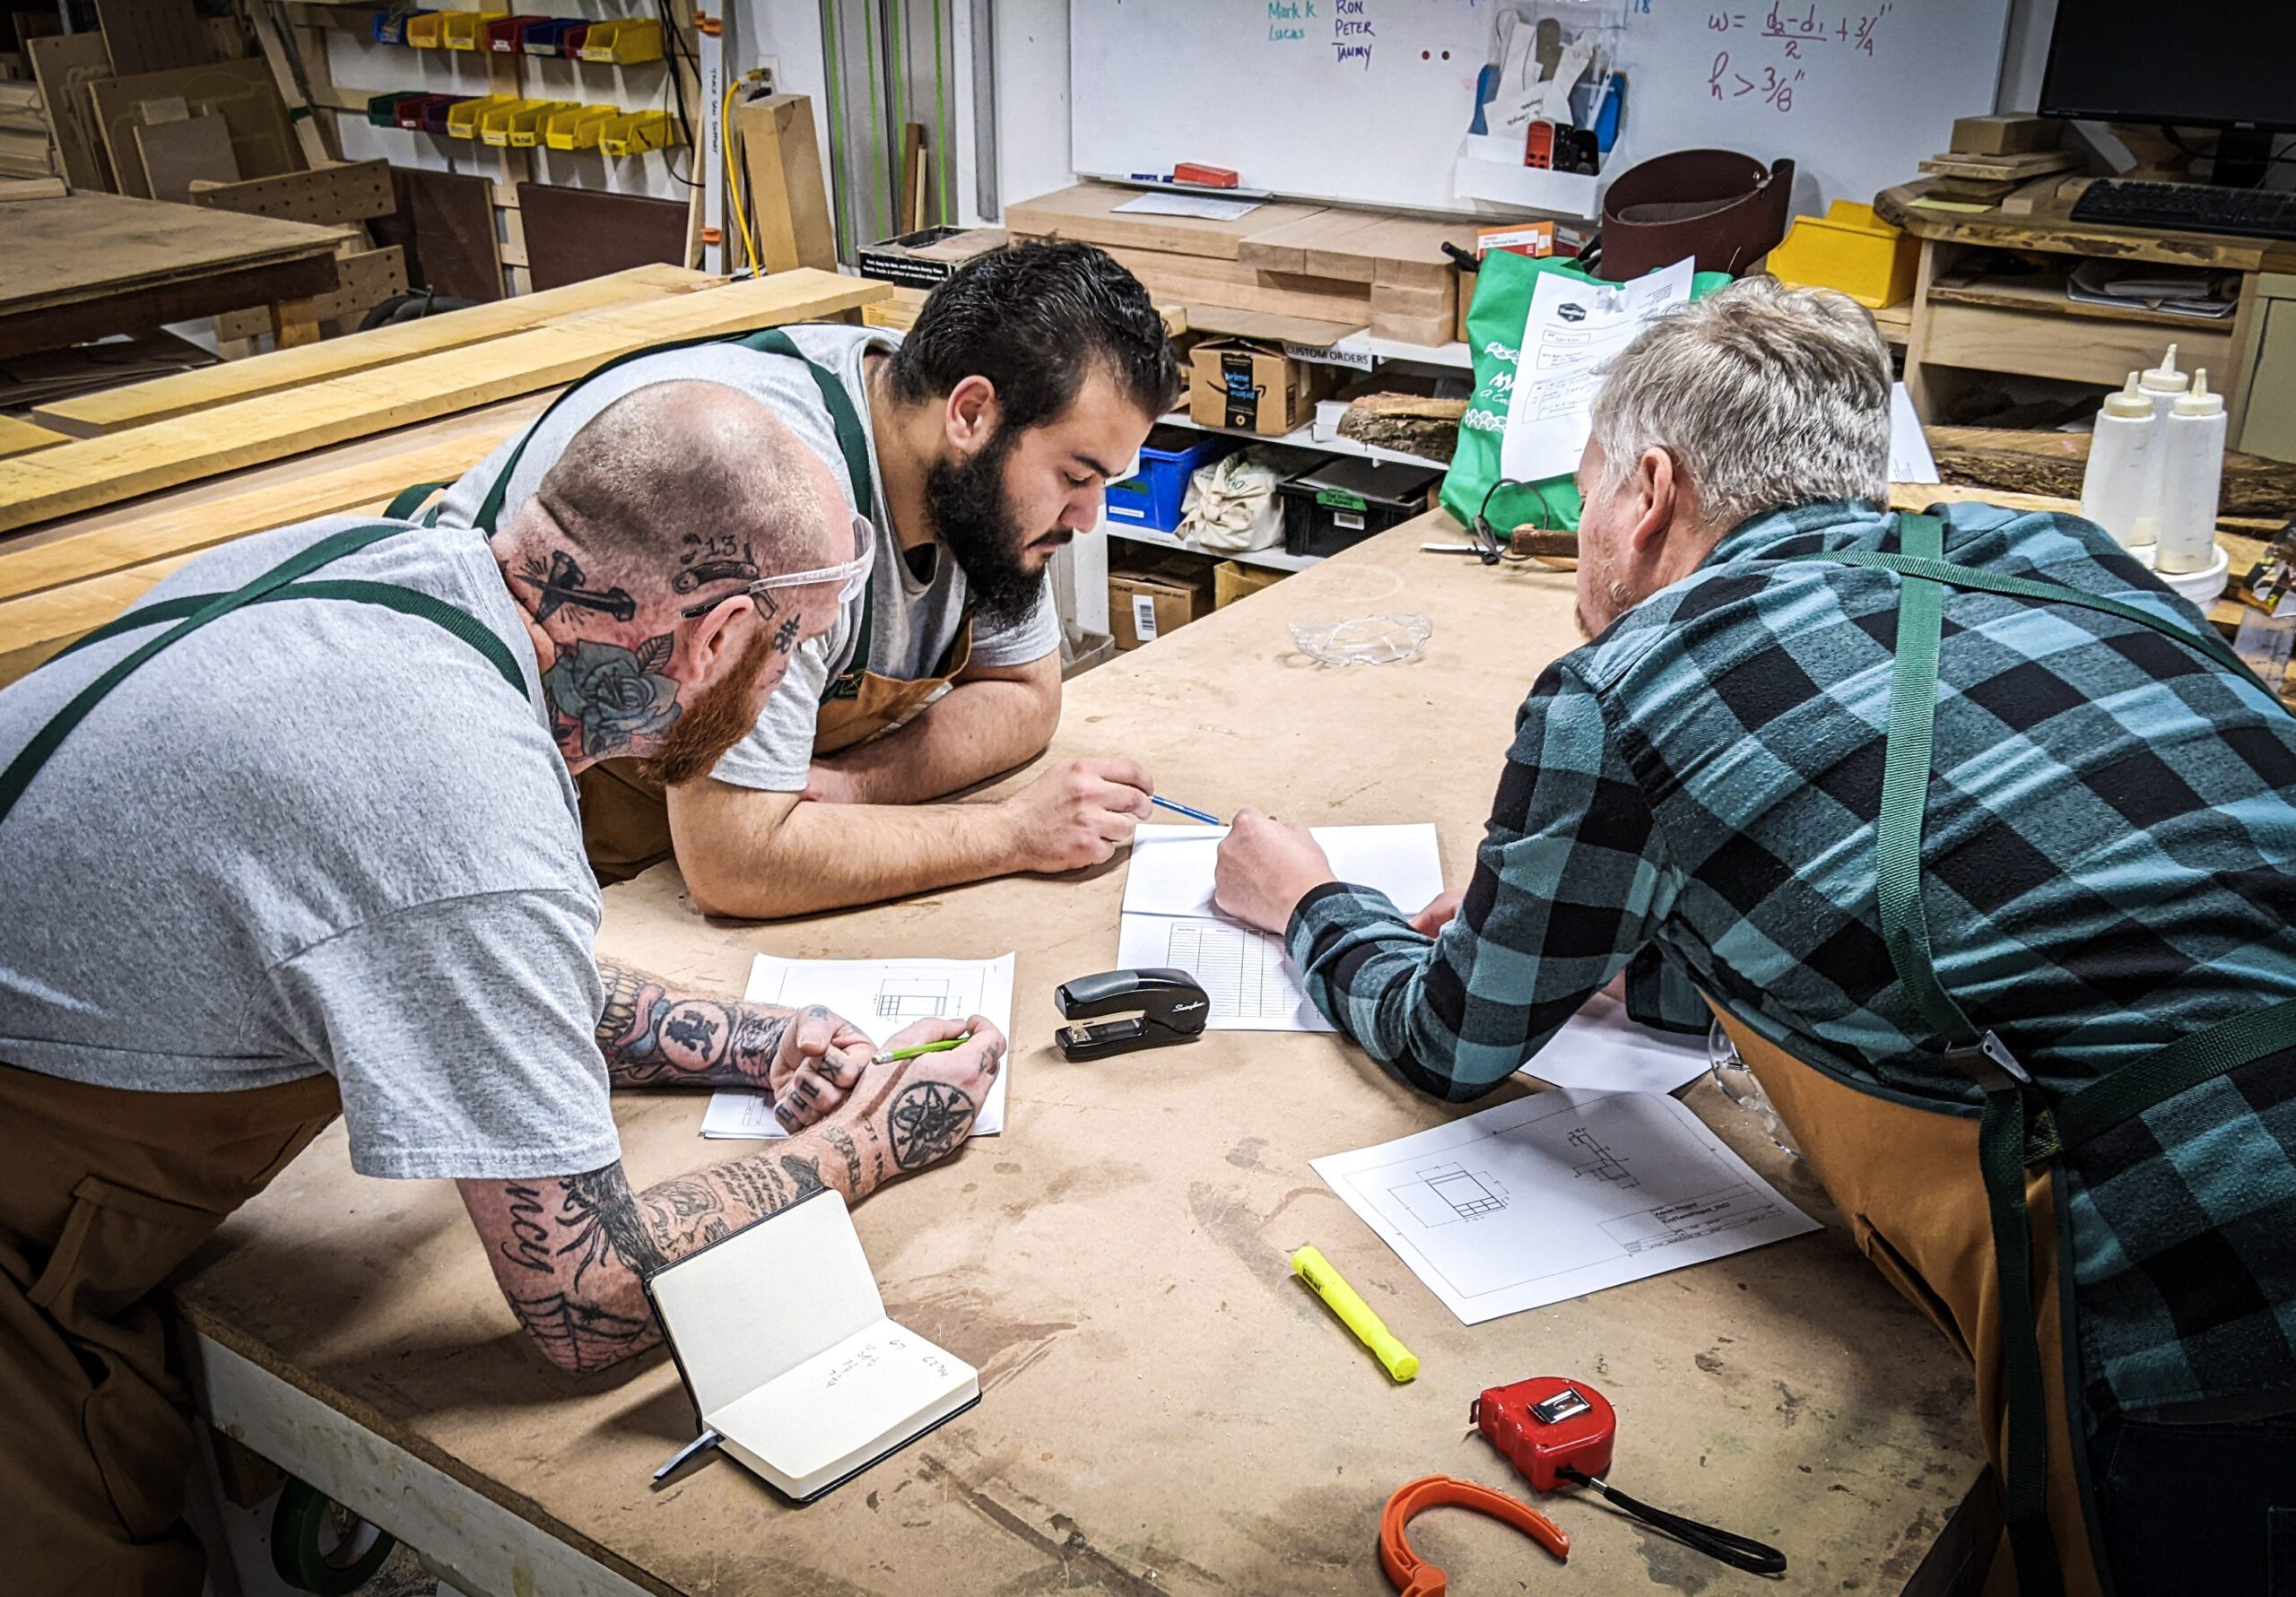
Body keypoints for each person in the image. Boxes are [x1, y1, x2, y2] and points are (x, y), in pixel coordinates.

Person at [1213, 279, 2296, 1595]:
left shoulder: (1629, 683)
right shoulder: (2065, 558)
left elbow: (1455, 1040)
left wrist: (1317, 904)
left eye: (1590, 487)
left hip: (2212, 1271)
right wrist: (1638, 930)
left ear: (1648, 492)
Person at [0, 382, 1005, 1597]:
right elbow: (587, 1300)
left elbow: (452, 948)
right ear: (719, 635)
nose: (779, 682)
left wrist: (756, 1036)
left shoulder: (395, 569)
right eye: (791, 647)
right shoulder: (461, 795)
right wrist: (875, 1138)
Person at [433, 240, 1187, 916]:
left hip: (654, 847)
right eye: (1075, 476)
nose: (1087, 517)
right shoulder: (785, 500)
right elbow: (738, 862)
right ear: (972, 413)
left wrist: (854, 788)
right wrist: (1012, 832)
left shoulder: (973, 490)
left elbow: (1025, 696)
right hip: (481, 819)